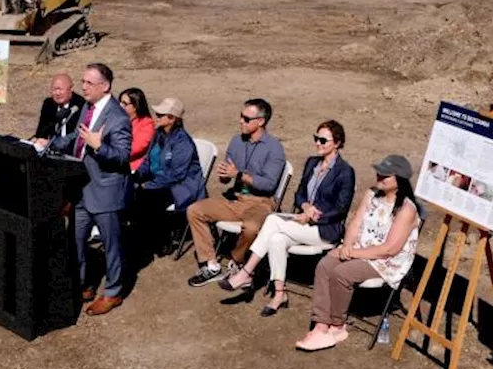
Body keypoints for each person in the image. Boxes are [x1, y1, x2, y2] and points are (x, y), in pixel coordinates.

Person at [220, 120, 356, 316]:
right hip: (302, 221)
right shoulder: (312, 163)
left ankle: (246, 271)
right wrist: (305, 206)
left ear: (337, 143)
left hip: (324, 229)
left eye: (323, 140)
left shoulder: (345, 172)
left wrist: (314, 214)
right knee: (276, 239)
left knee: (273, 220)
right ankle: (279, 295)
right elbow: (299, 194)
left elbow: (341, 208)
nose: (318, 143)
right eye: (316, 138)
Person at [296, 154, 421, 351]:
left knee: (342, 273)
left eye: (385, 175)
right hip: (361, 249)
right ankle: (320, 324)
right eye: (379, 173)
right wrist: (346, 246)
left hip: (385, 261)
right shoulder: (371, 194)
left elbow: (389, 249)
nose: (379, 177)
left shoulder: (406, 209)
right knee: (325, 264)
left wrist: (352, 253)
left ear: (400, 180)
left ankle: (337, 326)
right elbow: (355, 223)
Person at [50, 63, 132, 316]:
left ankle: (113, 292)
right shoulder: (89, 106)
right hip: (83, 188)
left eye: (88, 83)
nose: (83, 86)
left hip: (106, 192)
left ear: (105, 86)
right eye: (83, 81)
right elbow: (76, 136)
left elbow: (121, 157)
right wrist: (49, 143)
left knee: (112, 245)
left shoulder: (118, 117)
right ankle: (84, 284)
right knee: (75, 239)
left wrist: (98, 146)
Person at [185, 98, 286, 288]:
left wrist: (239, 174)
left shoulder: (274, 148)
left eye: (247, 119)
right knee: (195, 210)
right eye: (241, 116)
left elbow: (268, 185)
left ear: (261, 122)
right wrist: (224, 176)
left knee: (251, 228)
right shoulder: (236, 141)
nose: (241, 121)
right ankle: (211, 264)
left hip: (260, 202)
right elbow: (227, 176)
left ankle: (237, 261)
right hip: (236, 198)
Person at [131, 97, 207, 253]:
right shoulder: (158, 134)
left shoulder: (182, 142)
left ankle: (161, 241)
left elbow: (176, 175)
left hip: (181, 186)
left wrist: (147, 185)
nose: (156, 117)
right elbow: (148, 161)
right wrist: (137, 175)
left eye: (160, 115)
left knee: (147, 197)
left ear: (172, 119)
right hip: (161, 180)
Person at [32, 73, 84, 148]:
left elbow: (78, 136)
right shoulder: (48, 104)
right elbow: (41, 132)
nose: (57, 93)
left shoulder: (81, 104)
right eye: (54, 89)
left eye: (60, 89)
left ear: (71, 88)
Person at [118, 88, 155, 173]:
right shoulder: (118, 120)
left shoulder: (147, 125)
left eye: (125, 104)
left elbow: (134, 149)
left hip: (133, 171)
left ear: (136, 106)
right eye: (120, 102)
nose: (120, 105)